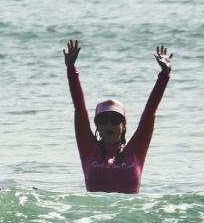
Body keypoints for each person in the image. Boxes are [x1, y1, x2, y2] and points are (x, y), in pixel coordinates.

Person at [64, 39, 172, 194]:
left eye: (115, 120)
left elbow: (150, 112)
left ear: (124, 126)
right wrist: (71, 69)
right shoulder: (89, 150)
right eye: (103, 120)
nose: (109, 125)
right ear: (97, 126)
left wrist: (164, 75)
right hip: (95, 216)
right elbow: (79, 109)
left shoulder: (135, 151)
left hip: (129, 217)